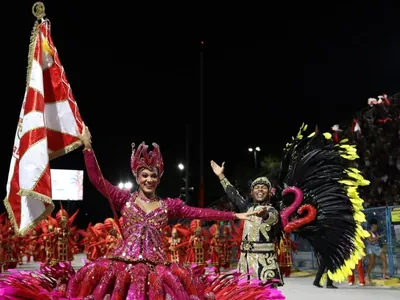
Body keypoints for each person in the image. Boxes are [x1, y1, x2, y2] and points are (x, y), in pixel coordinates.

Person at [0, 125, 284, 300]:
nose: (149, 179)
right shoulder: (124, 199)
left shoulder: (169, 205)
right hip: (120, 262)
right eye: (144, 174)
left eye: (154, 175)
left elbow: (201, 211)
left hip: (157, 266)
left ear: (159, 178)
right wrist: (87, 148)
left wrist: (236, 216)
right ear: (137, 176)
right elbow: (98, 181)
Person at [210, 161, 283, 286]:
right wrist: (221, 176)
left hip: (264, 264)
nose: (260, 189)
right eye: (256, 187)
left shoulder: (273, 211)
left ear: (270, 192)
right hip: (245, 262)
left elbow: (272, 220)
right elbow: (233, 195)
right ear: (251, 192)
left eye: (264, 187)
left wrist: (264, 215)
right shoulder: (247, 209)